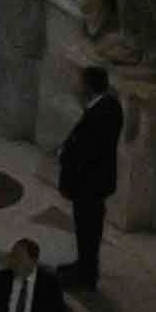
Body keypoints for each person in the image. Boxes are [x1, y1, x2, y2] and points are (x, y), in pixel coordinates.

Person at [56, 58, 129, 298]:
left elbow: (87, 149)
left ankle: (86, 274)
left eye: (80, 84)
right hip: (92, 182)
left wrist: (67, 154)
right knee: (86, 228)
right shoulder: (107, 105)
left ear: (88, 87)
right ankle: (83, 265)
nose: (76, 88)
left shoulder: (101, 113)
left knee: (88, 229)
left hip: (90, 184)